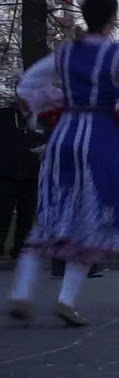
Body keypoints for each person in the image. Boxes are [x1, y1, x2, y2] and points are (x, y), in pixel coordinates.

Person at [7, 0, 119, 326]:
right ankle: (66, 298)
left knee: (50, 214)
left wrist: (55, 99)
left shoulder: (65, 53)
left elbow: (26, 87)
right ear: (112, 19)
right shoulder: (117, 54)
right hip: (101, 140)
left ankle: (22, 291)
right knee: (90, 222)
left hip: (65, 136)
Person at [0, 99, 43, 261]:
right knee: (2, 214)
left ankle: (20, 251)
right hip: (5, 174)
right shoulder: (4, 115)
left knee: (27, 216)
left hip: (32, 175)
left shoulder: (42, 118)